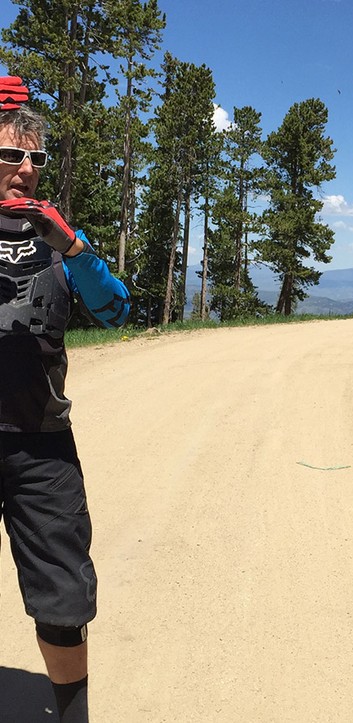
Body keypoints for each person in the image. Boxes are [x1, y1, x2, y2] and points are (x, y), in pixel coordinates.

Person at [0, 76, 130, 722]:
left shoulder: (58, 240)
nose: (26, 169)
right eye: (11, 155)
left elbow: (115, 309)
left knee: (62, 599)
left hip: (43, 443)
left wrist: (72, 247)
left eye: (36, 159)